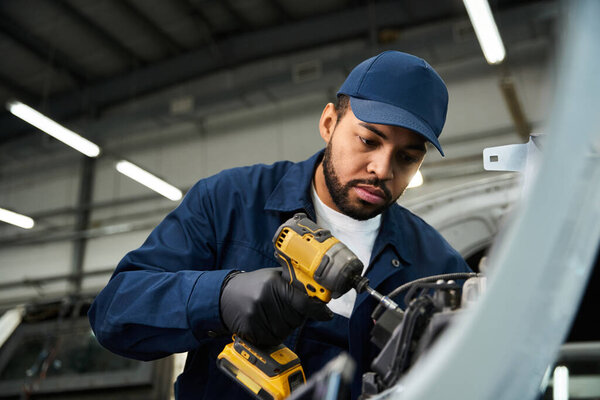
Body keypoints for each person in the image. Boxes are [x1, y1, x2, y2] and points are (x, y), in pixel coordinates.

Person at [89, 50, 471, 399]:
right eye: (369, 141)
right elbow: (113, 314)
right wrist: (219, 298)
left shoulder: (440, 268)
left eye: (407, 157)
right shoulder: (229, 203)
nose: (383, 169)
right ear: (328, 123)